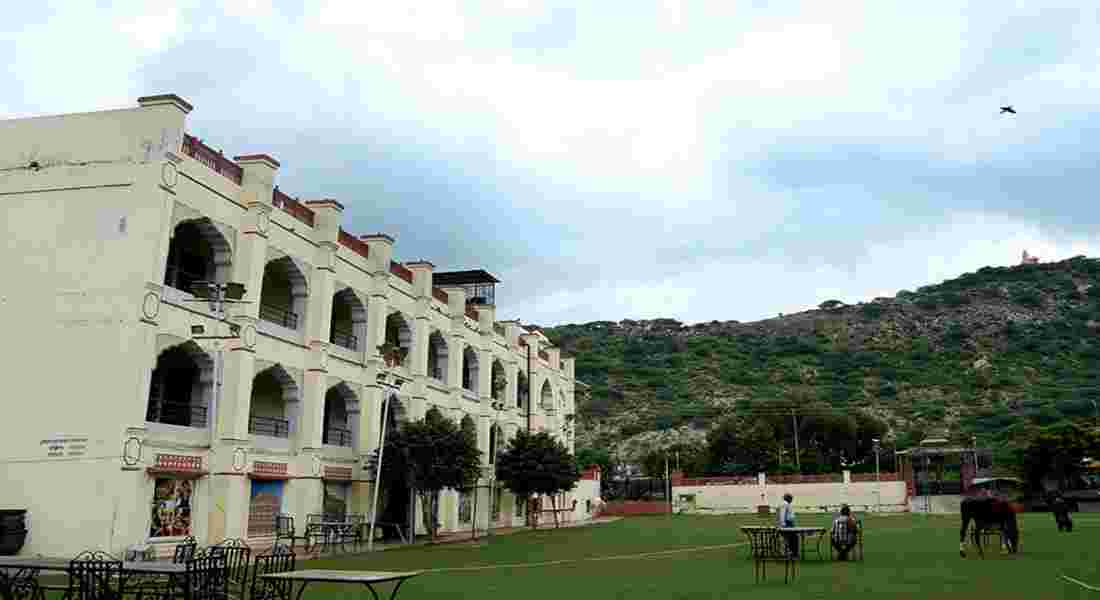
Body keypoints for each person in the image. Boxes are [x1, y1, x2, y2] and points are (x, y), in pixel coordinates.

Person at [777, 493, 798, 558]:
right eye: (791, 498)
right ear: (788, 498)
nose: (791, 500)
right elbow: (782, 515)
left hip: (788, 524)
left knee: (792, 538)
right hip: (787, 524)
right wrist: (784, 525)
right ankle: (792, 553)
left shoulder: (786, 504)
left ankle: (791, 552)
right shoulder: (785, 504)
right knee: (793, 538)